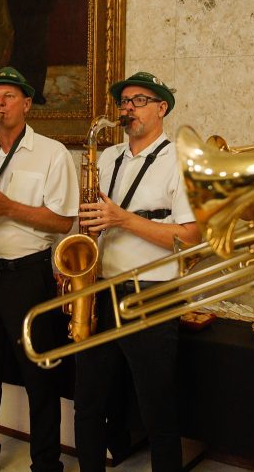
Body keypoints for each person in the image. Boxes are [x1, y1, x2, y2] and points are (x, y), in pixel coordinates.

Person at [73, 71, 201, 472]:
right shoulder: (106, 157)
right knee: (88, 401)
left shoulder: (181, 161)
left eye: (139, 100)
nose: (128, 108)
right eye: (124, 102)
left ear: (162, 108)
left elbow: (190, 239)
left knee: (157, 409)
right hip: (99, 287)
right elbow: (89, 221)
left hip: (152, 291)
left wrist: (122, 219)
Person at [0, 67, 78, 472]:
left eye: (8, 96)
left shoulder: (52, 153)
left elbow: (63, 221)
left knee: (40, 376)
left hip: (29, 275)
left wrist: (8, 208)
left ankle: (46, 463)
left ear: (27, 104)